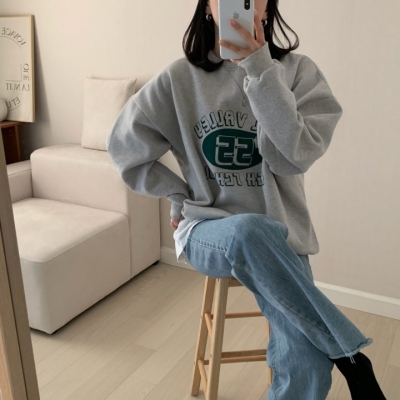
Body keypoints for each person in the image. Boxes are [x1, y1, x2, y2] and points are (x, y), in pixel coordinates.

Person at [106, 0, 387, 398]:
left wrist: (259, 69)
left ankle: (343, 358)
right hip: (207, 230)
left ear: (267, 9)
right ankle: (348, 352)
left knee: (307, 363)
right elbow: (124, 147)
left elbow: (293, 158)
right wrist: (178, 194)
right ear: (207, 7)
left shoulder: (299, 74)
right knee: (247, 231)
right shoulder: (178, 79)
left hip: (281, 240)